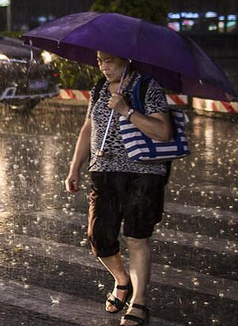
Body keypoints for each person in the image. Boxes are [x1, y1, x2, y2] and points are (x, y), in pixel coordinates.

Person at [65, 51, 173, 326]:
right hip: (104, 172)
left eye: (110, 60)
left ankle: (139, 302)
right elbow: (88, 128)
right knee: (99, 236)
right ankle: (122, 280)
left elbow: (163, 132)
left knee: (137, 237)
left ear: (126, 60)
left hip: (144, 172)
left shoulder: (148, 87)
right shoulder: (99, 88)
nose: (103, 66)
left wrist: (127, 110)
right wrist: (74, 167)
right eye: (100, 60)